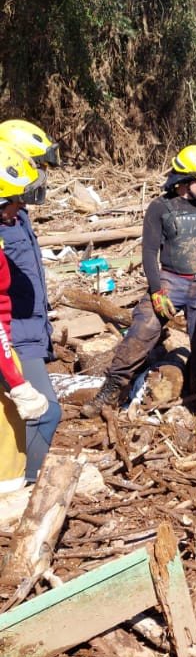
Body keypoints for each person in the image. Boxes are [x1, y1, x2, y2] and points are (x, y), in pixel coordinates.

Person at [84, 145, 196, 430]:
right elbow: (149, 252)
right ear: (186, 180)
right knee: (142, 330)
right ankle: (111, 390)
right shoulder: (160, 207)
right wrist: (157, 290)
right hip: (171, 280)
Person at [0, 121, 61, 480]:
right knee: (44, 412)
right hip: (14, 335)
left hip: (28, 328)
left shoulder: (16, 215)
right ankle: (28, 480)